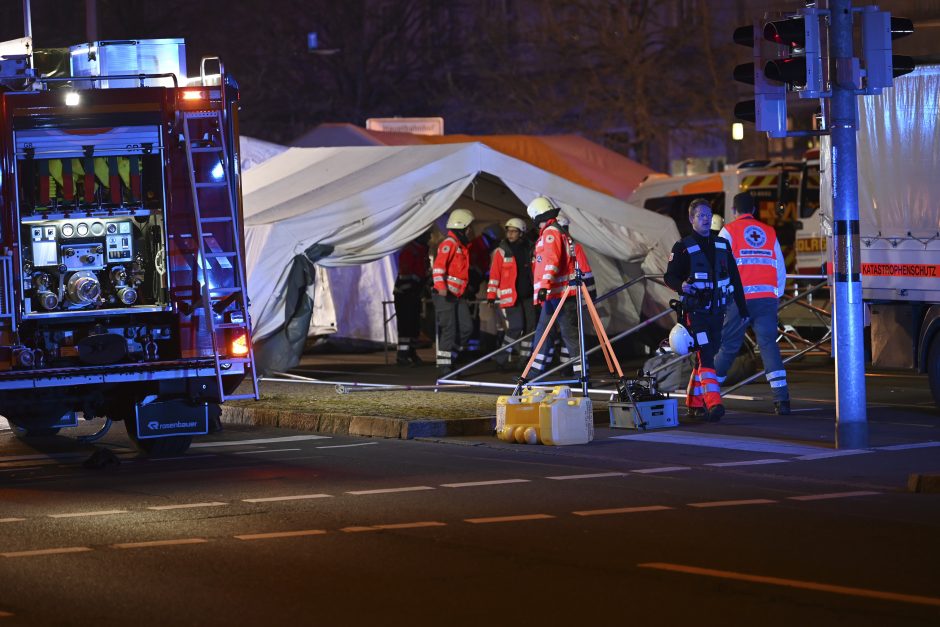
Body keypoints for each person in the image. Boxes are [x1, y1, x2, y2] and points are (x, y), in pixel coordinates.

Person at [664, 198, 749, 422]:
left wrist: (742, 307)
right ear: (692, 219)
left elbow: (736, 279)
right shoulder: (682, 247)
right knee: (707, 355)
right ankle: (714, 403)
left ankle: (694, 404)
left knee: (703, 358)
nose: (706, 219)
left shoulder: (722, 245)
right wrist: (681, 285)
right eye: (701, 215)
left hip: (717, 313)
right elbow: (669, 276)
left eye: (709, 215)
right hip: (695, 313)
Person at [714, 191, 791, 414]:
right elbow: (780, 268)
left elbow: (721, 266)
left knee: (728, 347)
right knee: (769, 346)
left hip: (739, 300)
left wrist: (722, 295)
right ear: (754, 210)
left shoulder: (728, 231)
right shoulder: (768, 231)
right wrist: (776, 295)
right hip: (766, 299)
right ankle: (781, 399)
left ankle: (707, 393)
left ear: (733, 210)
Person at [526, 197, 582, 379]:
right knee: (544, 331)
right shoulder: (555, 231)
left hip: (559, 293)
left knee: (569, 335)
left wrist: (544, 286)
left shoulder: (550, 233)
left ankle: (580, 375)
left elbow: (551, 262)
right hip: (556, 294)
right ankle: (535, 371)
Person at [486, 217, 536, 368]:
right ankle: (500, 358)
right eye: (509, 231)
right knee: (516, 327)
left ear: (521, 233)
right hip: (511, 296)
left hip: (528, 295)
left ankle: (524, 360)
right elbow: (494, 274)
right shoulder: (501, 251)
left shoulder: (530, 248)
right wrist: (491, 294)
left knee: (530, 328)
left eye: (514, 231)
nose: (510, 234)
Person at [432, 208, 475, 374]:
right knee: (449, 330)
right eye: (468, 227)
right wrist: (441, 288)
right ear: (462, 227)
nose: (470, 231)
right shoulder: (449, 244)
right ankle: (445, 367)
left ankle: (451, 358)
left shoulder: (460, 246)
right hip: (445, 296)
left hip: (457, 295)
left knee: (466, 328)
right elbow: (438, 269)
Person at [393, 230, 431, 366]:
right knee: (406, 326)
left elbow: (423, 270)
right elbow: (406, 274)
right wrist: (419, 281)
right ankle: (402, 355)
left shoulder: (422, 250)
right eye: (428, 234)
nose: (430, 237)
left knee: (414, 325)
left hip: (415, 293)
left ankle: (412, 353)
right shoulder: (410, 250)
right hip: (405, 293)